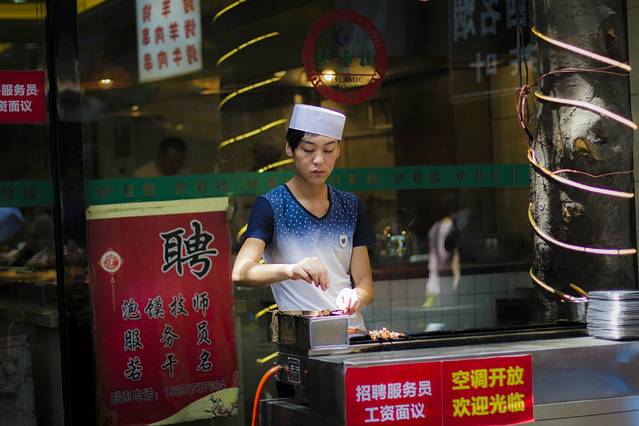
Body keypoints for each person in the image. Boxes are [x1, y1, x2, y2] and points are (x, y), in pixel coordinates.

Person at [232, 104, 376, 330]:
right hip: (302, 337)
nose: (319, 160)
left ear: (339, 150)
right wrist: (290, 270)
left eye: (329, 150)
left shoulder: (351, 205)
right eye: (308, 150)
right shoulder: (272, 205)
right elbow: (241, 272)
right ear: (290, 149)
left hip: (351, 332)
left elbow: (366, 285)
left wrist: (356, 296)